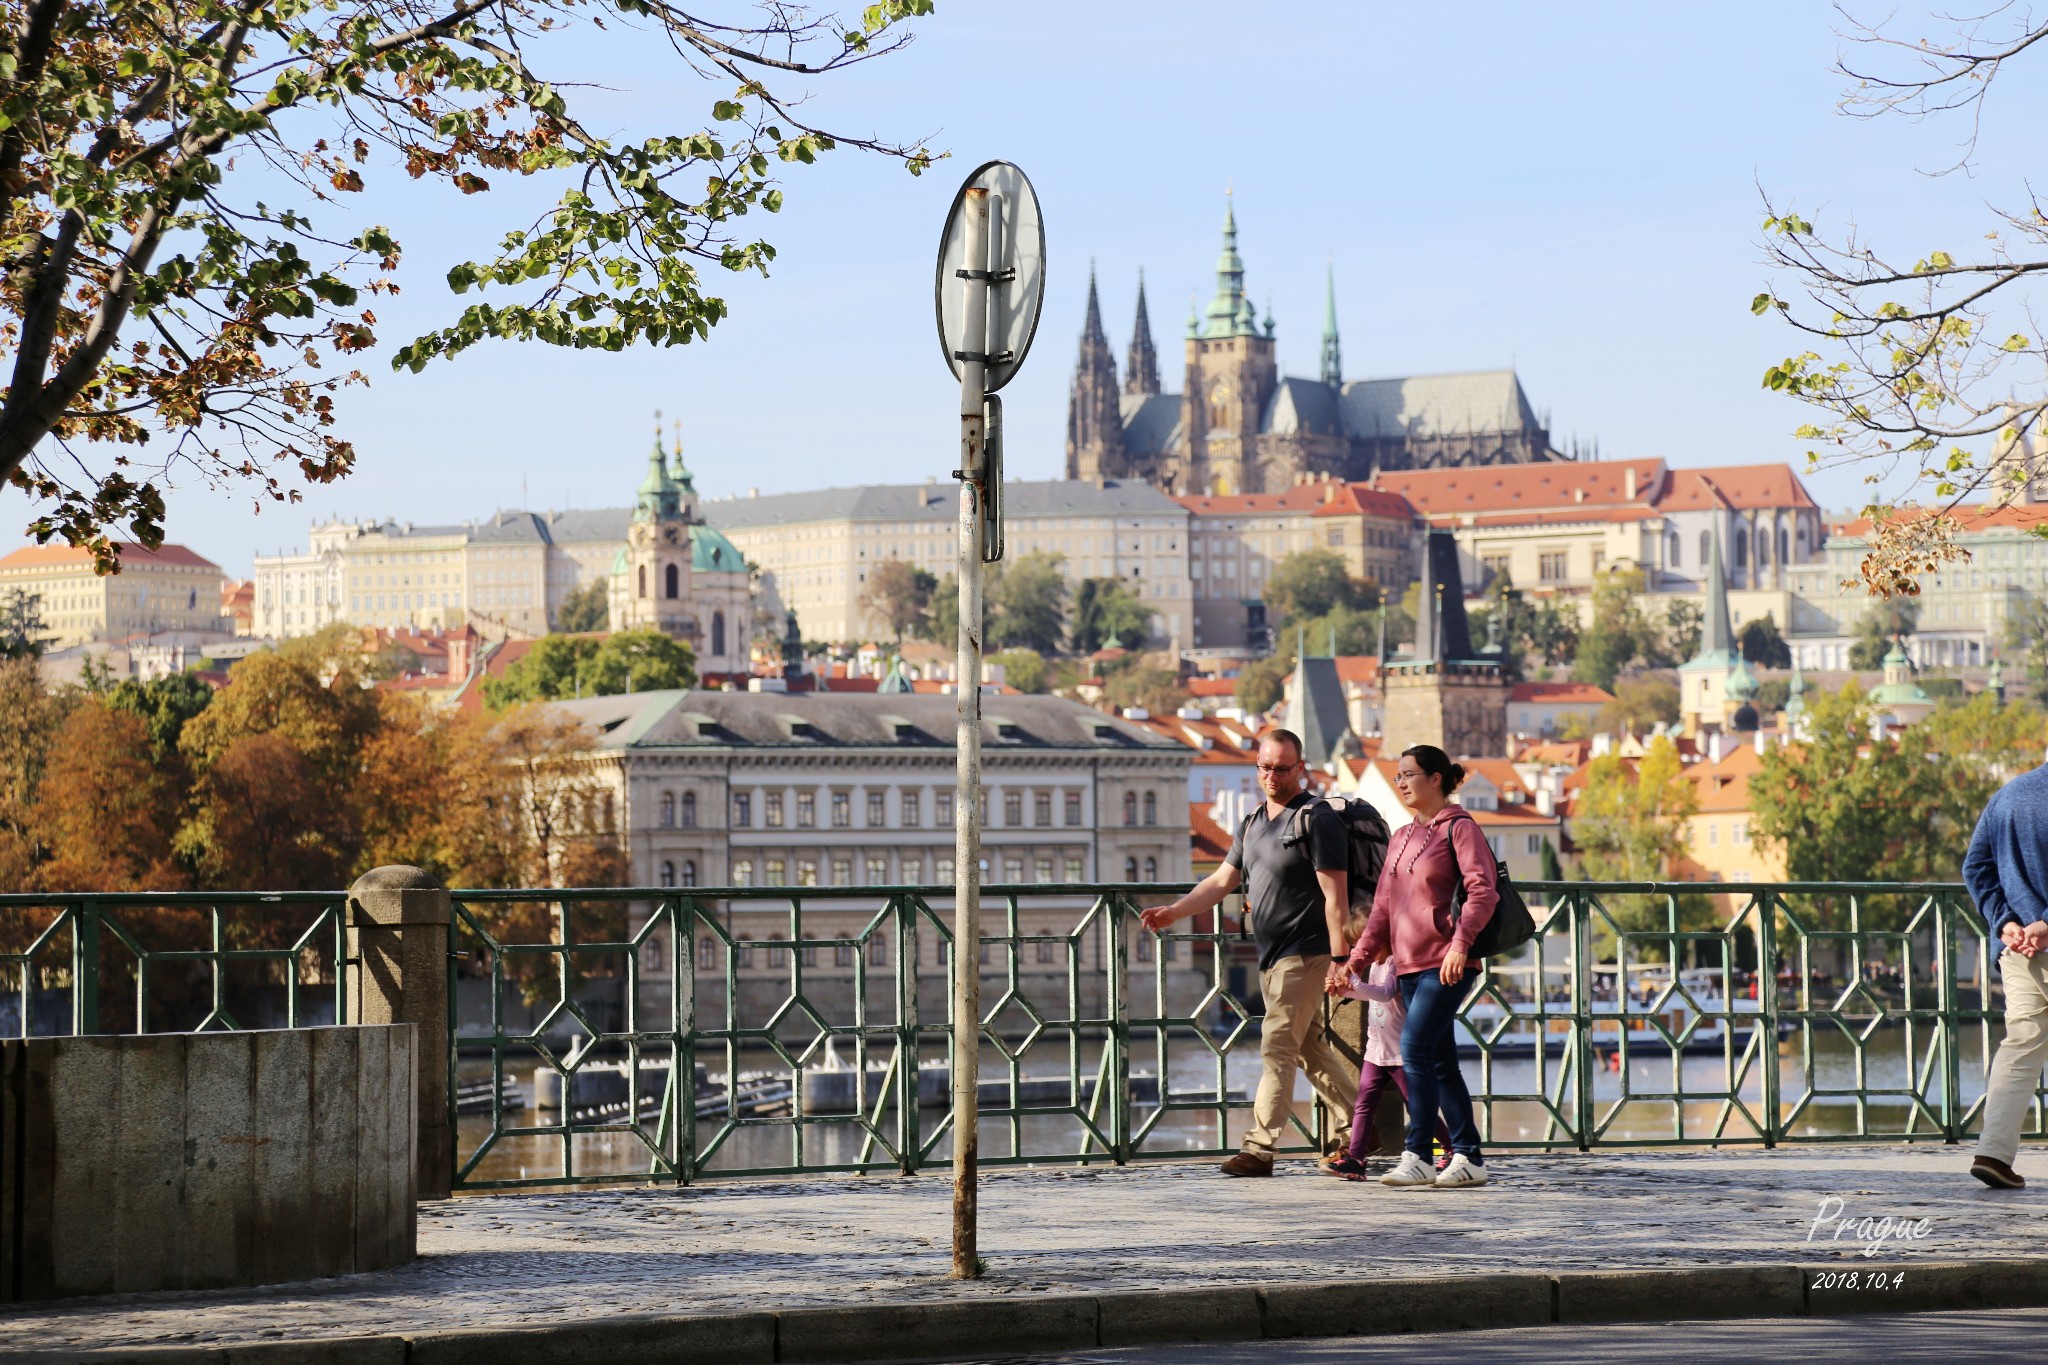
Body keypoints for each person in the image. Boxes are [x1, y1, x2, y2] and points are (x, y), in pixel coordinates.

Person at [1141, 729, 1358, 1176]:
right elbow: (1221, 882)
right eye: (1265, 767)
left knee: (1276, 1046)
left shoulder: (1317, 819)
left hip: (1307, 951)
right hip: (1272, 954)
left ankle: (1259, 1148)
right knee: (1310, 1049)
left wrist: (1341, 959)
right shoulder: (1254, 821)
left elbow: (1335, 895)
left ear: (1301, 768)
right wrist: (1175, 912)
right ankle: (1359, 1126)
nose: (1272, 776)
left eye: (1282, 768)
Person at [1338, 744, 1494, 1189]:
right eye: (1398, 775)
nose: (1401, 782)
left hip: (1446, 962)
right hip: (1406, 966)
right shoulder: (1402, 836)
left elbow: (1483, 891)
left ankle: (1420, 1153)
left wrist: (1461, 944)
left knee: (1415, 1048)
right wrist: (1356, 960)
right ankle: (1469, 1157)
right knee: (1441, 1061)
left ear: (1437, 779)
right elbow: (1382, 909)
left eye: (1409, 774)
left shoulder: (1460, 828)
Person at [1961, 749, 2048, 1189]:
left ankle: (1993, 1154)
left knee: (2020, 1048)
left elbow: (1976, 868)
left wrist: (2006, 922)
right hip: (2040, 937)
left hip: (2021, 951)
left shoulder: (2007, 796)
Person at [1321, 955, 1452, 1180]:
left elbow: (1386, 992)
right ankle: (1356, 1158)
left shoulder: (1394, 962)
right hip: (1376, 1050)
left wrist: (1354, 980)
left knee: (1416, 1105)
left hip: (1399, 1051)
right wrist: (1346, 992)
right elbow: (1372, 997)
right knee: (1364, 1102)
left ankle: (1452, 1148)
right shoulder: (1375, 965)